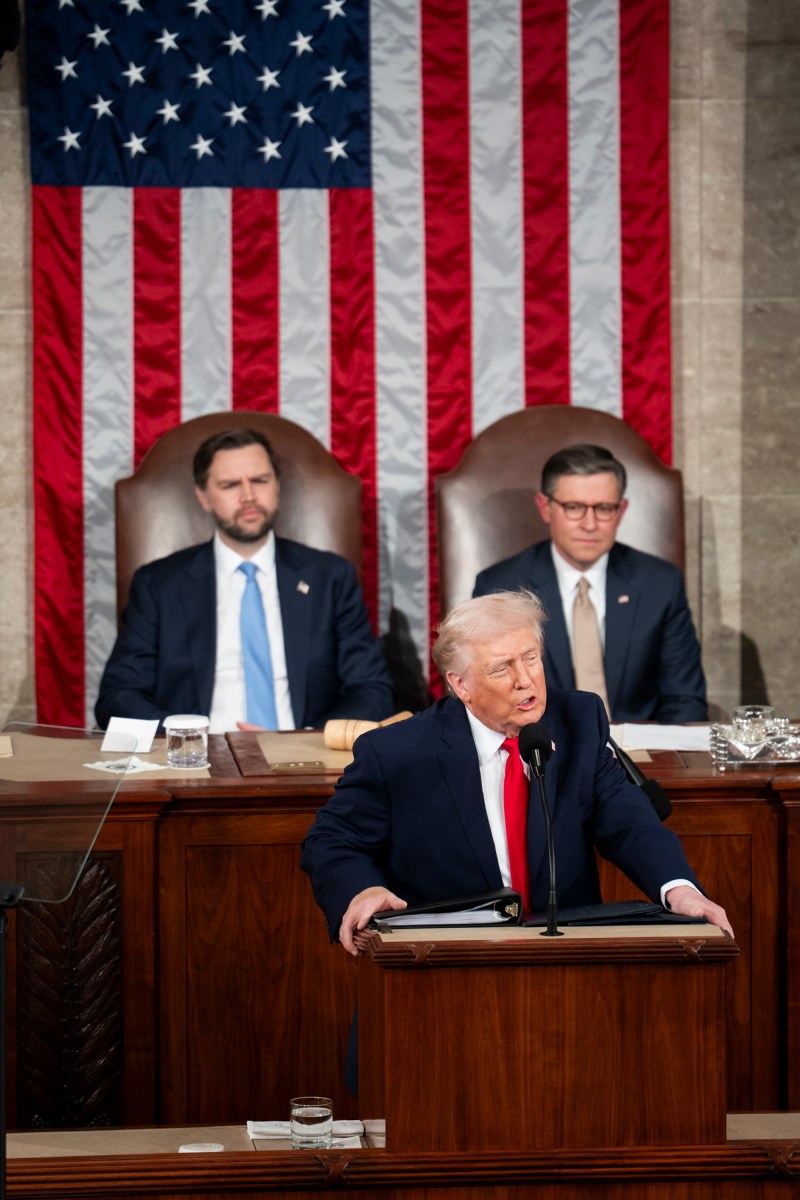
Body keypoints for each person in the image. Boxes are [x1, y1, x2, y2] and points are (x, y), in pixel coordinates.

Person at [300, 592, 731, 955]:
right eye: (503, 668)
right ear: (461, 685)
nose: (526, 680)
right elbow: (332, 840)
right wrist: (360, 890)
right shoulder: (397, 752)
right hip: (446, 961)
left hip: (566, 954)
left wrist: (680, 890)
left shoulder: (579, 721)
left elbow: (629, 824)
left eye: (531, 659)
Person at [95, 427, 394, 732]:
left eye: (260, 480)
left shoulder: (330, 578)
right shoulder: (158, 584)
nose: (248, 496)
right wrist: (188, 736)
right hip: (197, 765)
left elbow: (372, 691)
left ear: (277, 486)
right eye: (230, 485)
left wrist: (305, 742)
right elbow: (118, 698)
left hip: (303, 762)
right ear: (203, 497)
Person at [473, 443, 707, 724]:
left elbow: (684, 701)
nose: (589, 523)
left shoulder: (659, 583)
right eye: (574, 507)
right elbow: (489, 699)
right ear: (545, 507)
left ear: (621, 511)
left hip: (640, 755)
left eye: (604, 508)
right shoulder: (501, 587)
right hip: (544, 754)